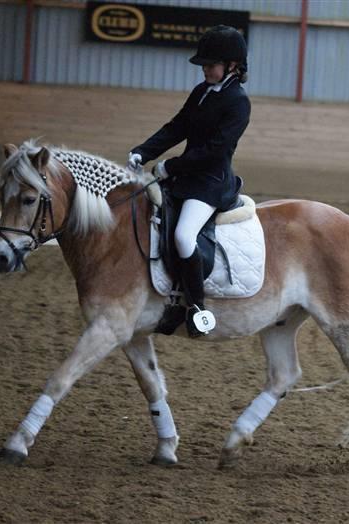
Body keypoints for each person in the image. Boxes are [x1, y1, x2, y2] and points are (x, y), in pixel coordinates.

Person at [127, 25, 251, 337]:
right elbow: (176, 127)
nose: (206, 69)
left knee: (183, 236)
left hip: (211, 181)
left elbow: (215, 150)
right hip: (185, 176)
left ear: (232, 66)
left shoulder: (238, 102)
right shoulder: (202, 91)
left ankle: (196, 308)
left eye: (211, 64)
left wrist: (170, 166)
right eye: (205, 65)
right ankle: (164, 294)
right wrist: (143, 151)